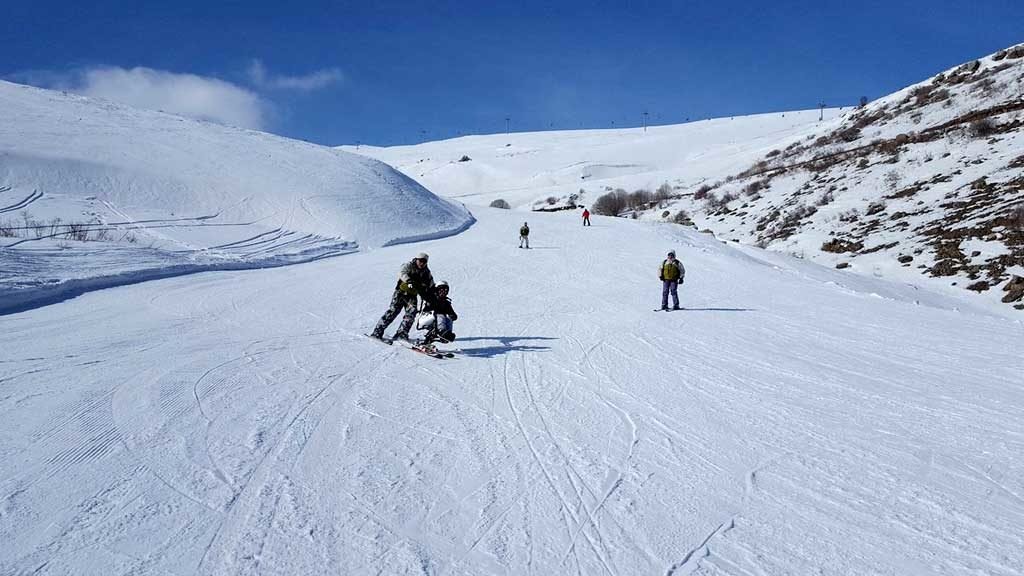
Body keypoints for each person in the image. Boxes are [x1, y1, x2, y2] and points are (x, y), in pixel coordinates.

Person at [371, 252, 434, 341]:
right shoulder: (409, 265)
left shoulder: (426, 273)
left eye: (424, 261)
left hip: (412, 296)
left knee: (411, 313)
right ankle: (378, 331)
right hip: (401, 293)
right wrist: (408, 280)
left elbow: (431, 284)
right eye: (420, 261)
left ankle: (401, 334)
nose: (422, 263)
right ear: (417, 259)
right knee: (392, 312)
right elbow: (402, 272)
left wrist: (431, 293)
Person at [418, 281, 458, 348]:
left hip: (436, 321)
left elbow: (452, 313)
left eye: (445, 290)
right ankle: (442, 332)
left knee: (449, 318)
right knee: (441, 315)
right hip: (425, 318)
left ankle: (446, 335)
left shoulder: (446, 303)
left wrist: (453, 316)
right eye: (441, 290)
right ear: (437, 290)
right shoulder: (431, 297)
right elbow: (423, 294)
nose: (443, 292)